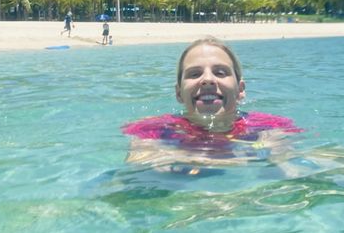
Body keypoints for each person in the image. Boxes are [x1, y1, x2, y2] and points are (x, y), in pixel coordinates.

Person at [122, 37, 303, 175]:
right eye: (194, 74)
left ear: (240, 90)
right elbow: (137, 171)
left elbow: (292, 166)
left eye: (220, 72)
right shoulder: (151, 130)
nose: (207, 80)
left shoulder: (271, 126)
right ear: (179, 93)